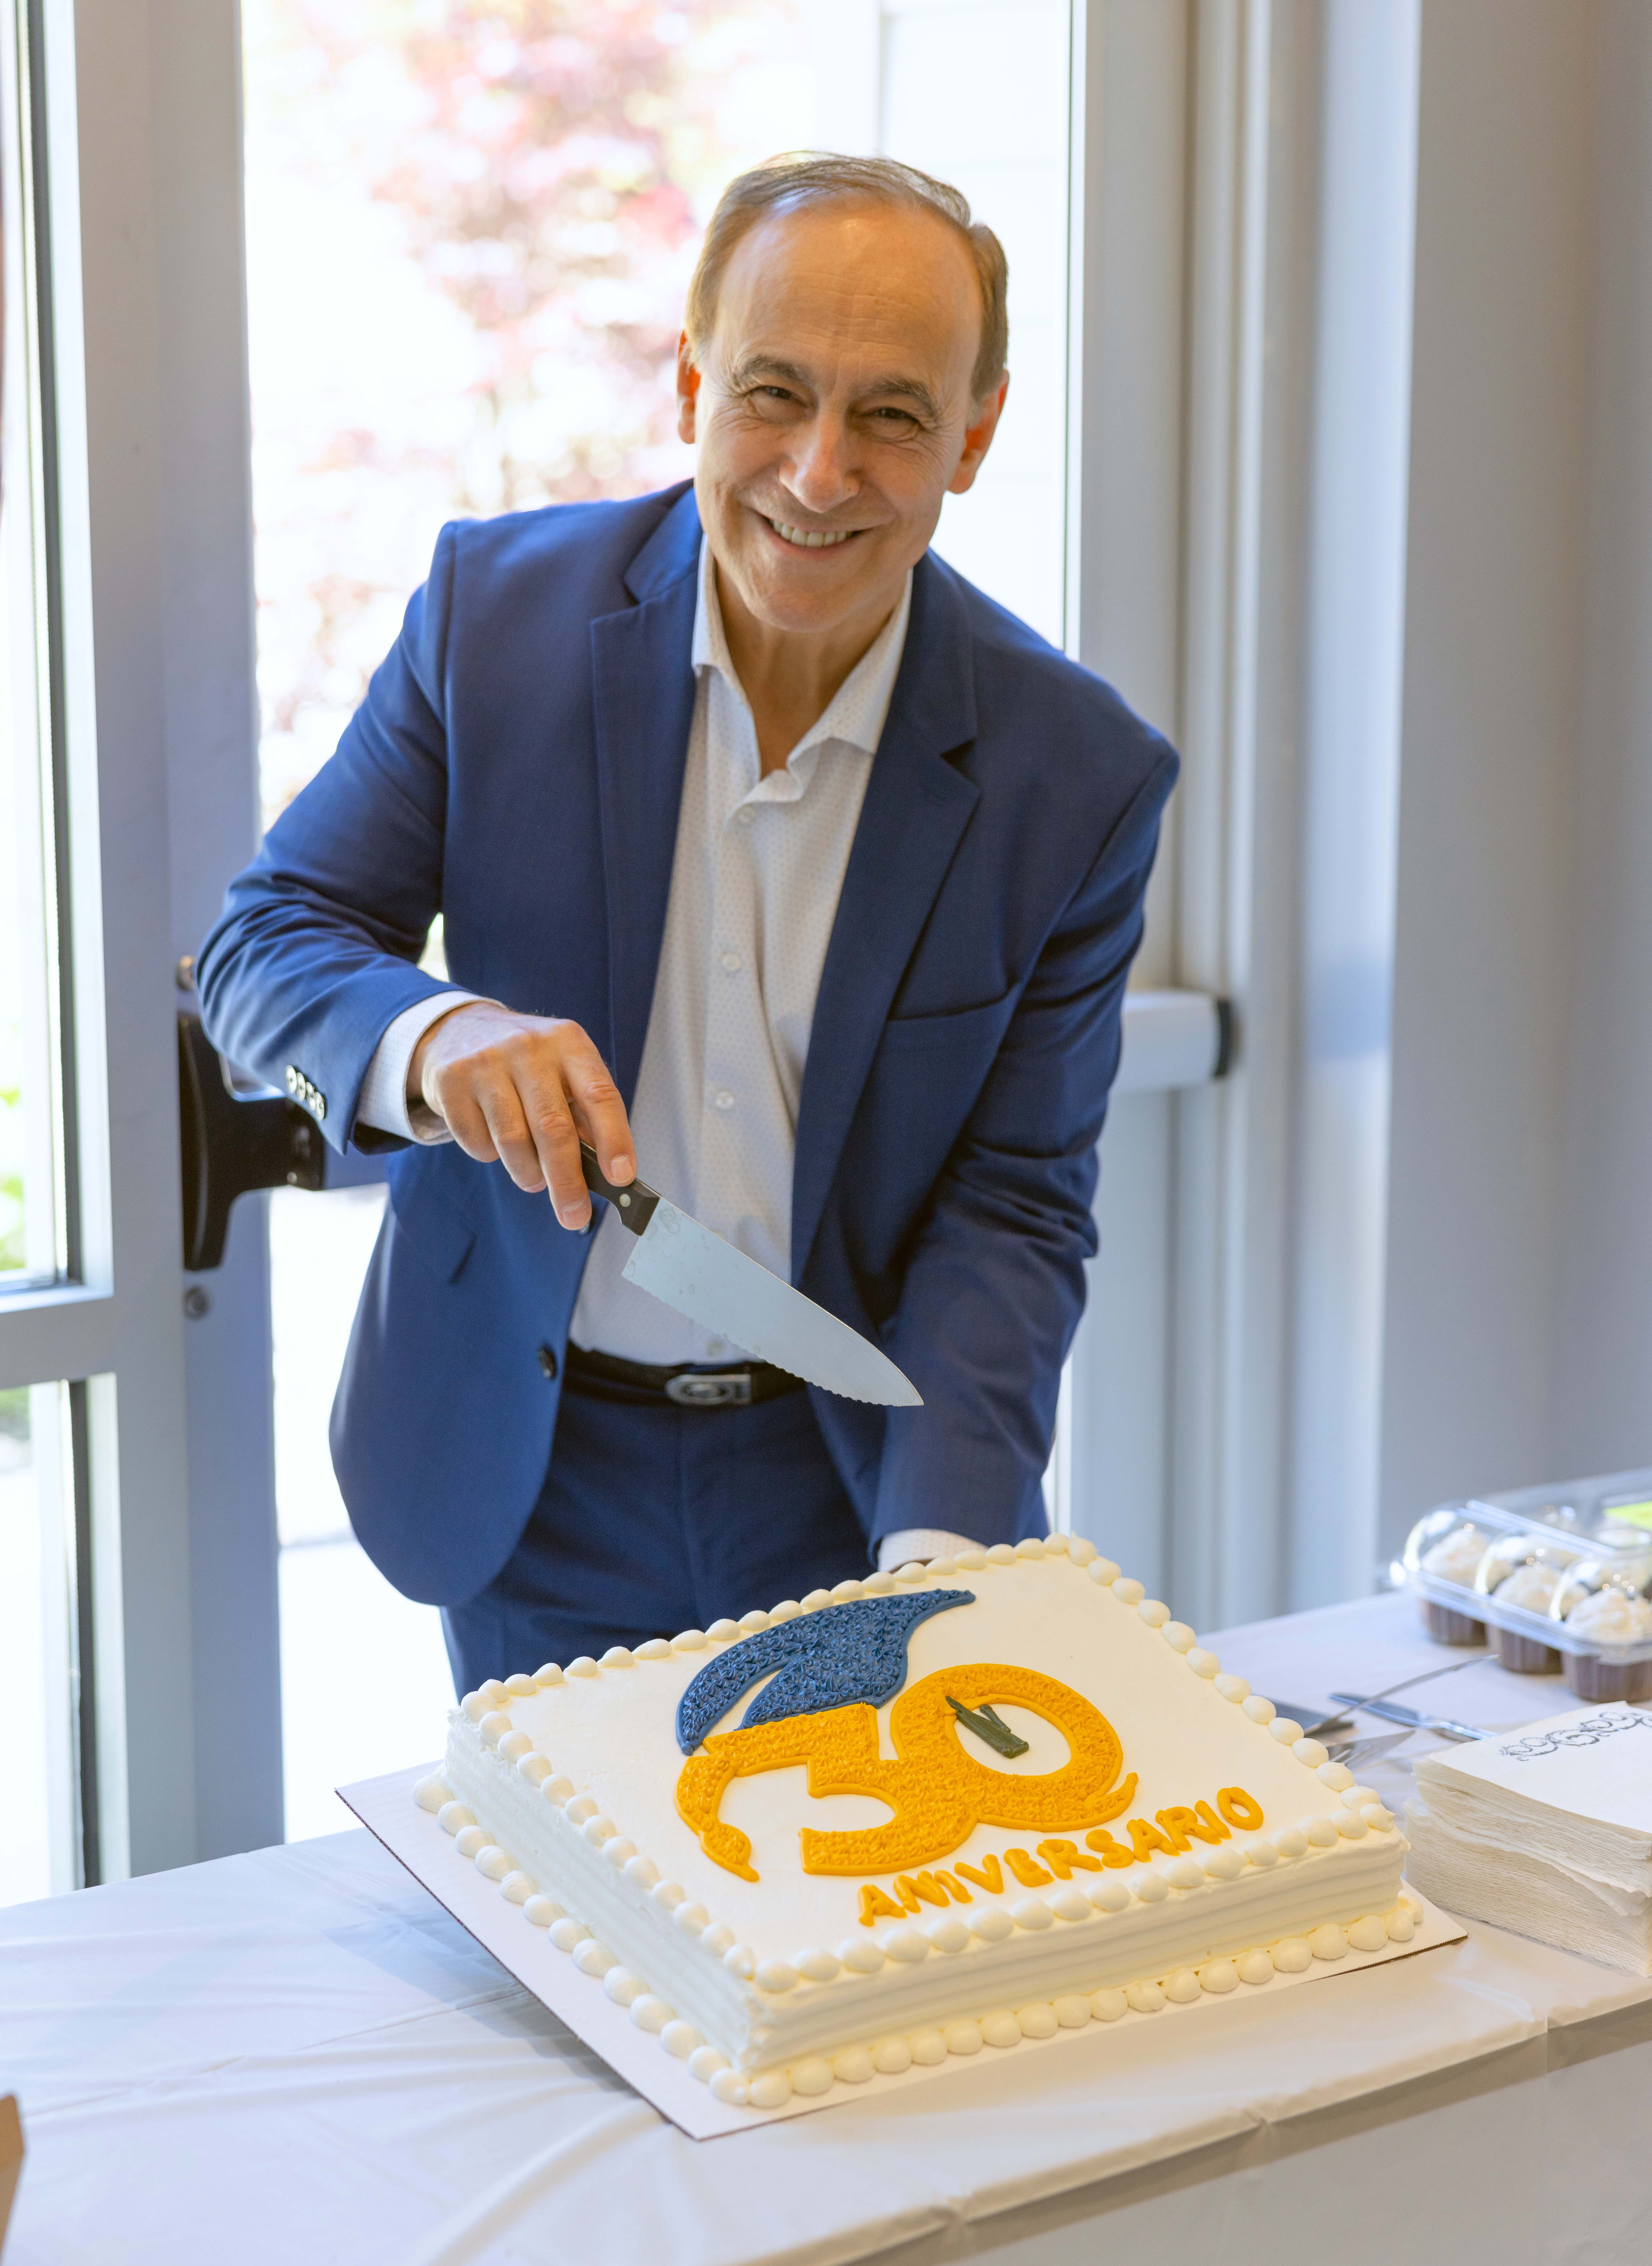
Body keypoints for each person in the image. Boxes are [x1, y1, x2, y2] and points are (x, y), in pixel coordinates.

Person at [198, 153, 1177, 1695]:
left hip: (852, 1482)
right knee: (557, 1929)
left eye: (894, 415)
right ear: (688, 383)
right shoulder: (491, 617)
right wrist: (438, 1033)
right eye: (774, 393)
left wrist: (941, 1560)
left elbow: (1015, 1204)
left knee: (853, 1920)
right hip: (526, 1469)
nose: (816, 473)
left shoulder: (1081, 777)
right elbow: (270, 939)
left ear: (974, 435)